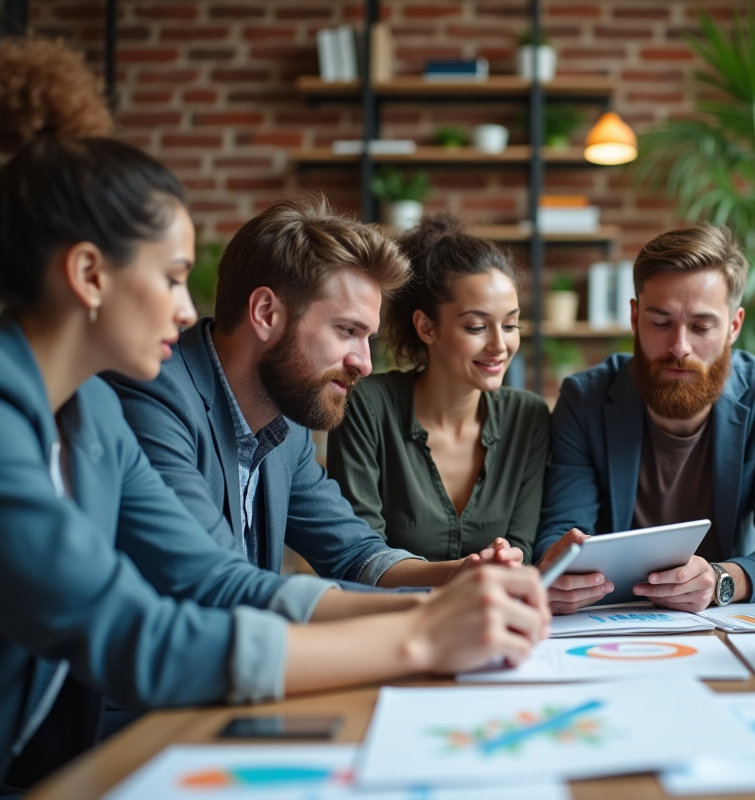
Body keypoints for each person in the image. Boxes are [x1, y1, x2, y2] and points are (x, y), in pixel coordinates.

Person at [0, 131, 548, 790]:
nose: (184, 307)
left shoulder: (94, 411)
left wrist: (444, 598)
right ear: (90, 275)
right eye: (173, 277)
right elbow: (144, 634)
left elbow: (224, 582)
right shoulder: (135, 399)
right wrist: (422, 635)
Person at [107, 197, 523, 588]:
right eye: (347, 331)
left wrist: (460, 575)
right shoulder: (154, 395)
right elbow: (215, 580)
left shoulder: (283, 422)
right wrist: (419, 629)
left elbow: (355, 554)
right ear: (266, 313)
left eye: (369, 338)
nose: (364, 363)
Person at [535, 225, 755, 614]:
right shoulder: (585, 399)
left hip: (723, 620)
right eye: (661, 323)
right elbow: (561, 529)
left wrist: (722, 579)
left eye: (701, 326)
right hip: (606, 618)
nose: (679, 347)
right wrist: (557, 571)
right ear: (634, 318)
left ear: (733, 326)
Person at [327, 215, 549, 564]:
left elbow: (522, 547)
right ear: (427, 327)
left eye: (510, 324)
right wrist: (466, 573)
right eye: (476, 327)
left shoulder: (528, 417)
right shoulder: (367, 407)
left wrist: (509, 561)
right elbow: (357, 559)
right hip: (395, 615)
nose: (500, 345)